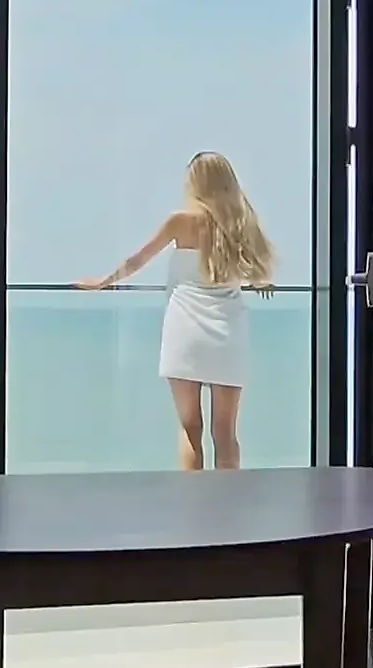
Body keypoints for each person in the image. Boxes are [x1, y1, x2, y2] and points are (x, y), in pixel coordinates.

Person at [77, 152, 275, 471]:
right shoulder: (241, 222)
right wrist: (260, 281)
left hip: (186, 329)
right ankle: (232, 500)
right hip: (228, 331)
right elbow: (257, 267)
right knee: (225, 433)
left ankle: (192, 499)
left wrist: (103, 281)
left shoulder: (180, 221)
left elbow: (137, 260)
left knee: (189, 428)